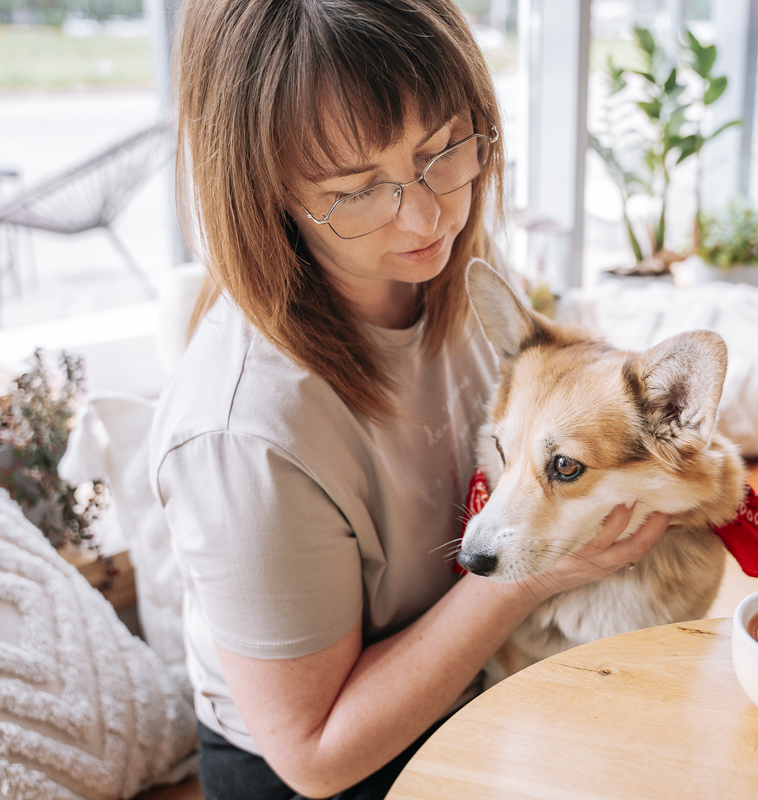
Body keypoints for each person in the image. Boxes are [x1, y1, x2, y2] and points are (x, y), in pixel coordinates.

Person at [150, 1, 671, 798]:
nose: (429, 216)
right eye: (357, 190)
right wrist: (529, 575)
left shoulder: (439, 261)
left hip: (473, 681)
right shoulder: (243, 432)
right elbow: (314, 754)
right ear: (264, 193)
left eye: (443, 150)